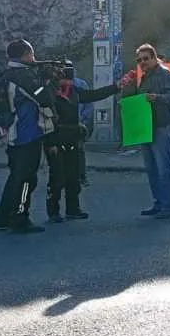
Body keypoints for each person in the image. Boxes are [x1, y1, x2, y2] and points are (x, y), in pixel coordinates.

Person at [42, 61, 119, 223]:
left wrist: (116, 87)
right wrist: (50, 143)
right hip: (56, 136)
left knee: (73, 175)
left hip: (72, 136)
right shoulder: (48, 93)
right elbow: (46, 119)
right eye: (64, 78)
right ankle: (53, 210)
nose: (67, 83)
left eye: (69, 79)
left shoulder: (74, 92)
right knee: (57, 177)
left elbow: (93, 95)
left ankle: (73, 208)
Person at [0, 39, 55, 234]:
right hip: (27, 134)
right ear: (25, 55)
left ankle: (3, 217)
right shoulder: (23, 77)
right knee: (28, 179)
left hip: (12, 134)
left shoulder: (6, 76)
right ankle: (20, 216)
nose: (34, 58)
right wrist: (46, 82)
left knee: (15, 177)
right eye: (32, 53)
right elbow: (44, 98)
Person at [120, 44, 170, 219]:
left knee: (163, 166)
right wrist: (128, 86)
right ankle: (158, 202)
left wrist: (157, 98)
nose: (142, 62)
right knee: (151, 167)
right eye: (139, 60)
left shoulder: (165, 73)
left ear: (154, 58)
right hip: (146, 126)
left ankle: (168, 206)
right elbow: (137, 99)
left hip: (162, 124)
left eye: (146, 58)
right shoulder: (144, 76)